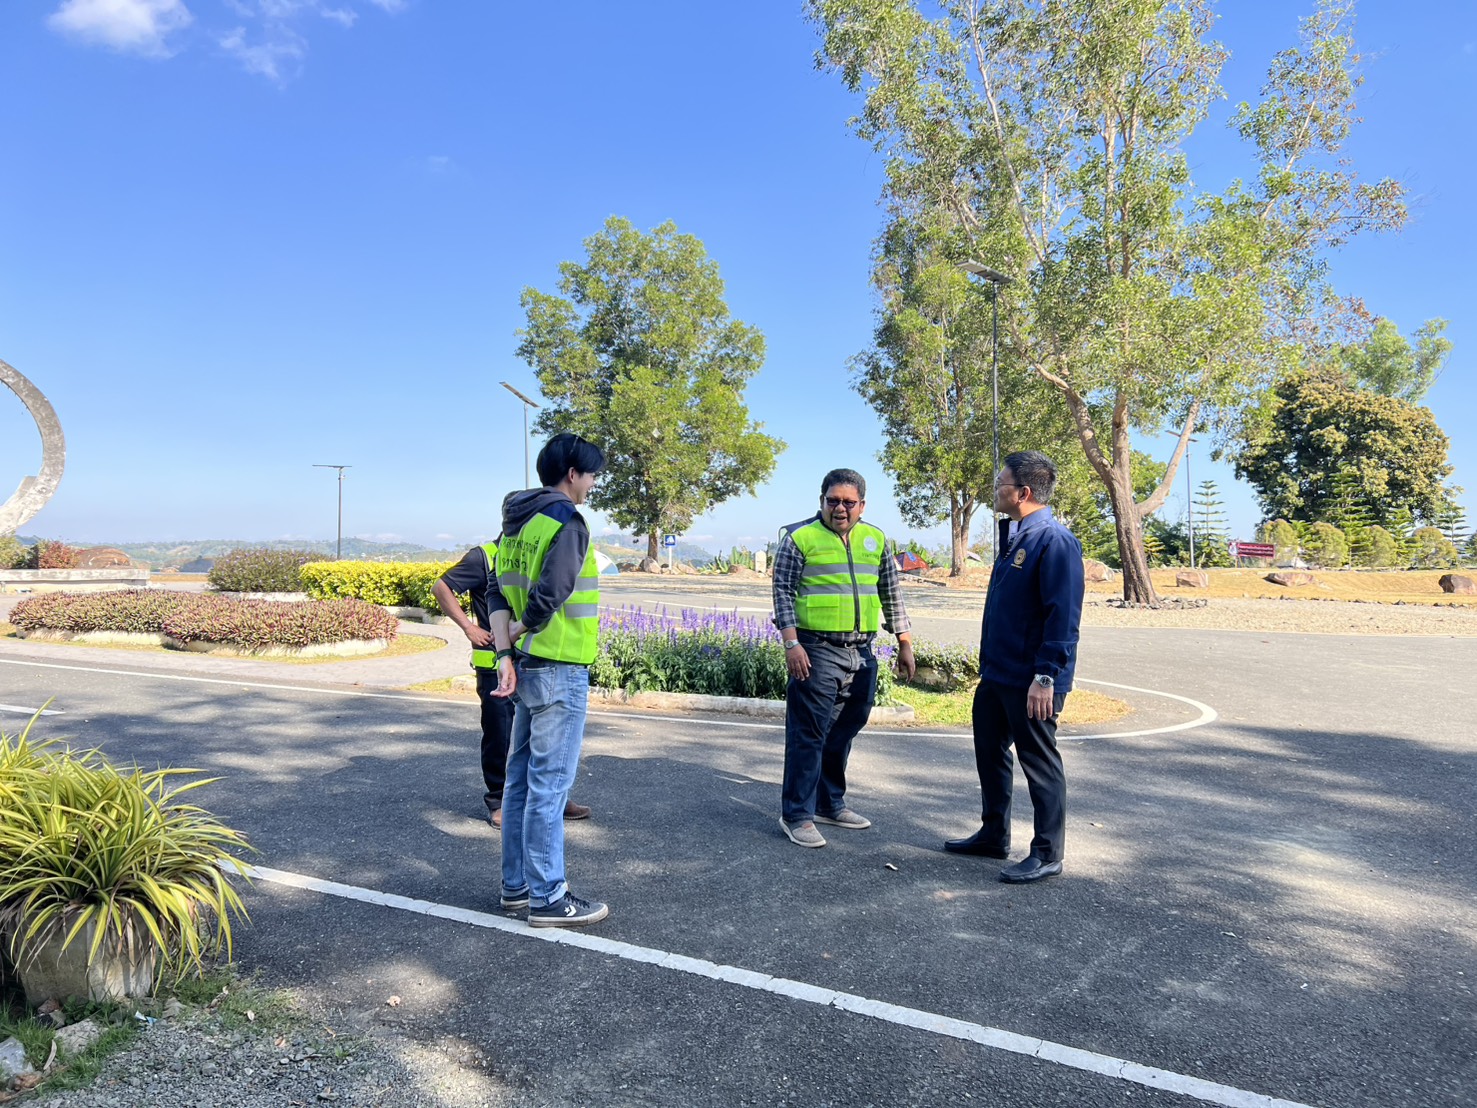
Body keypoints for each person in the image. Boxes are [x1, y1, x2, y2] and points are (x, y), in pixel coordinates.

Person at [486, 432, 609, 927]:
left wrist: (504, 651)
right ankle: (549, 898)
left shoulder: (515, 523)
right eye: (592, 474)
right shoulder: (567, 521)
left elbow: (495, 590)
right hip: (560, 666)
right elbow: (551, 594)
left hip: (527, 667)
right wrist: (521, 630)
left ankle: (516, 886)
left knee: (519, 783)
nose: (593, 484)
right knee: (549, 788)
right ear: (572, 474)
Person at [945, 450, 1084, 883]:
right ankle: (993, 834)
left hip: (1031, 679)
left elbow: (1063, 618)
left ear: (1022, 493)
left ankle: (1047, 852)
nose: (995, 490)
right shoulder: (1016, 537)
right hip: (998, 674)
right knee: (989, 752)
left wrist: (1046, 676)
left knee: (1039, 761)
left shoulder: (1055, 541)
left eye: (1000, 484)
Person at [772, 467, 916, 848]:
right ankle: (797, 815)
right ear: (821, 501)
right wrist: (791, 644)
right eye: (833, 500)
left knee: (844, 729)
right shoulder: (800, 539)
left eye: (848, 502)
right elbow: (782, 593)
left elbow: (891, 592)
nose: (840, 508)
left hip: (862, 653)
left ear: (862, 506)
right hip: (815, 650)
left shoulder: (876, 539)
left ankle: (828, 803)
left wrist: (904, 641)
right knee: (809, 733)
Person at [432, 544, 591, 829]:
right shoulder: (483, 555)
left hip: (531, 658)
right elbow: (441, 587)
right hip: (495, 661)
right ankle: (498, 801)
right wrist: (469, 628)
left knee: (539, 737)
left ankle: (551, 797)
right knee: (500, 734)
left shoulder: (534, 547)